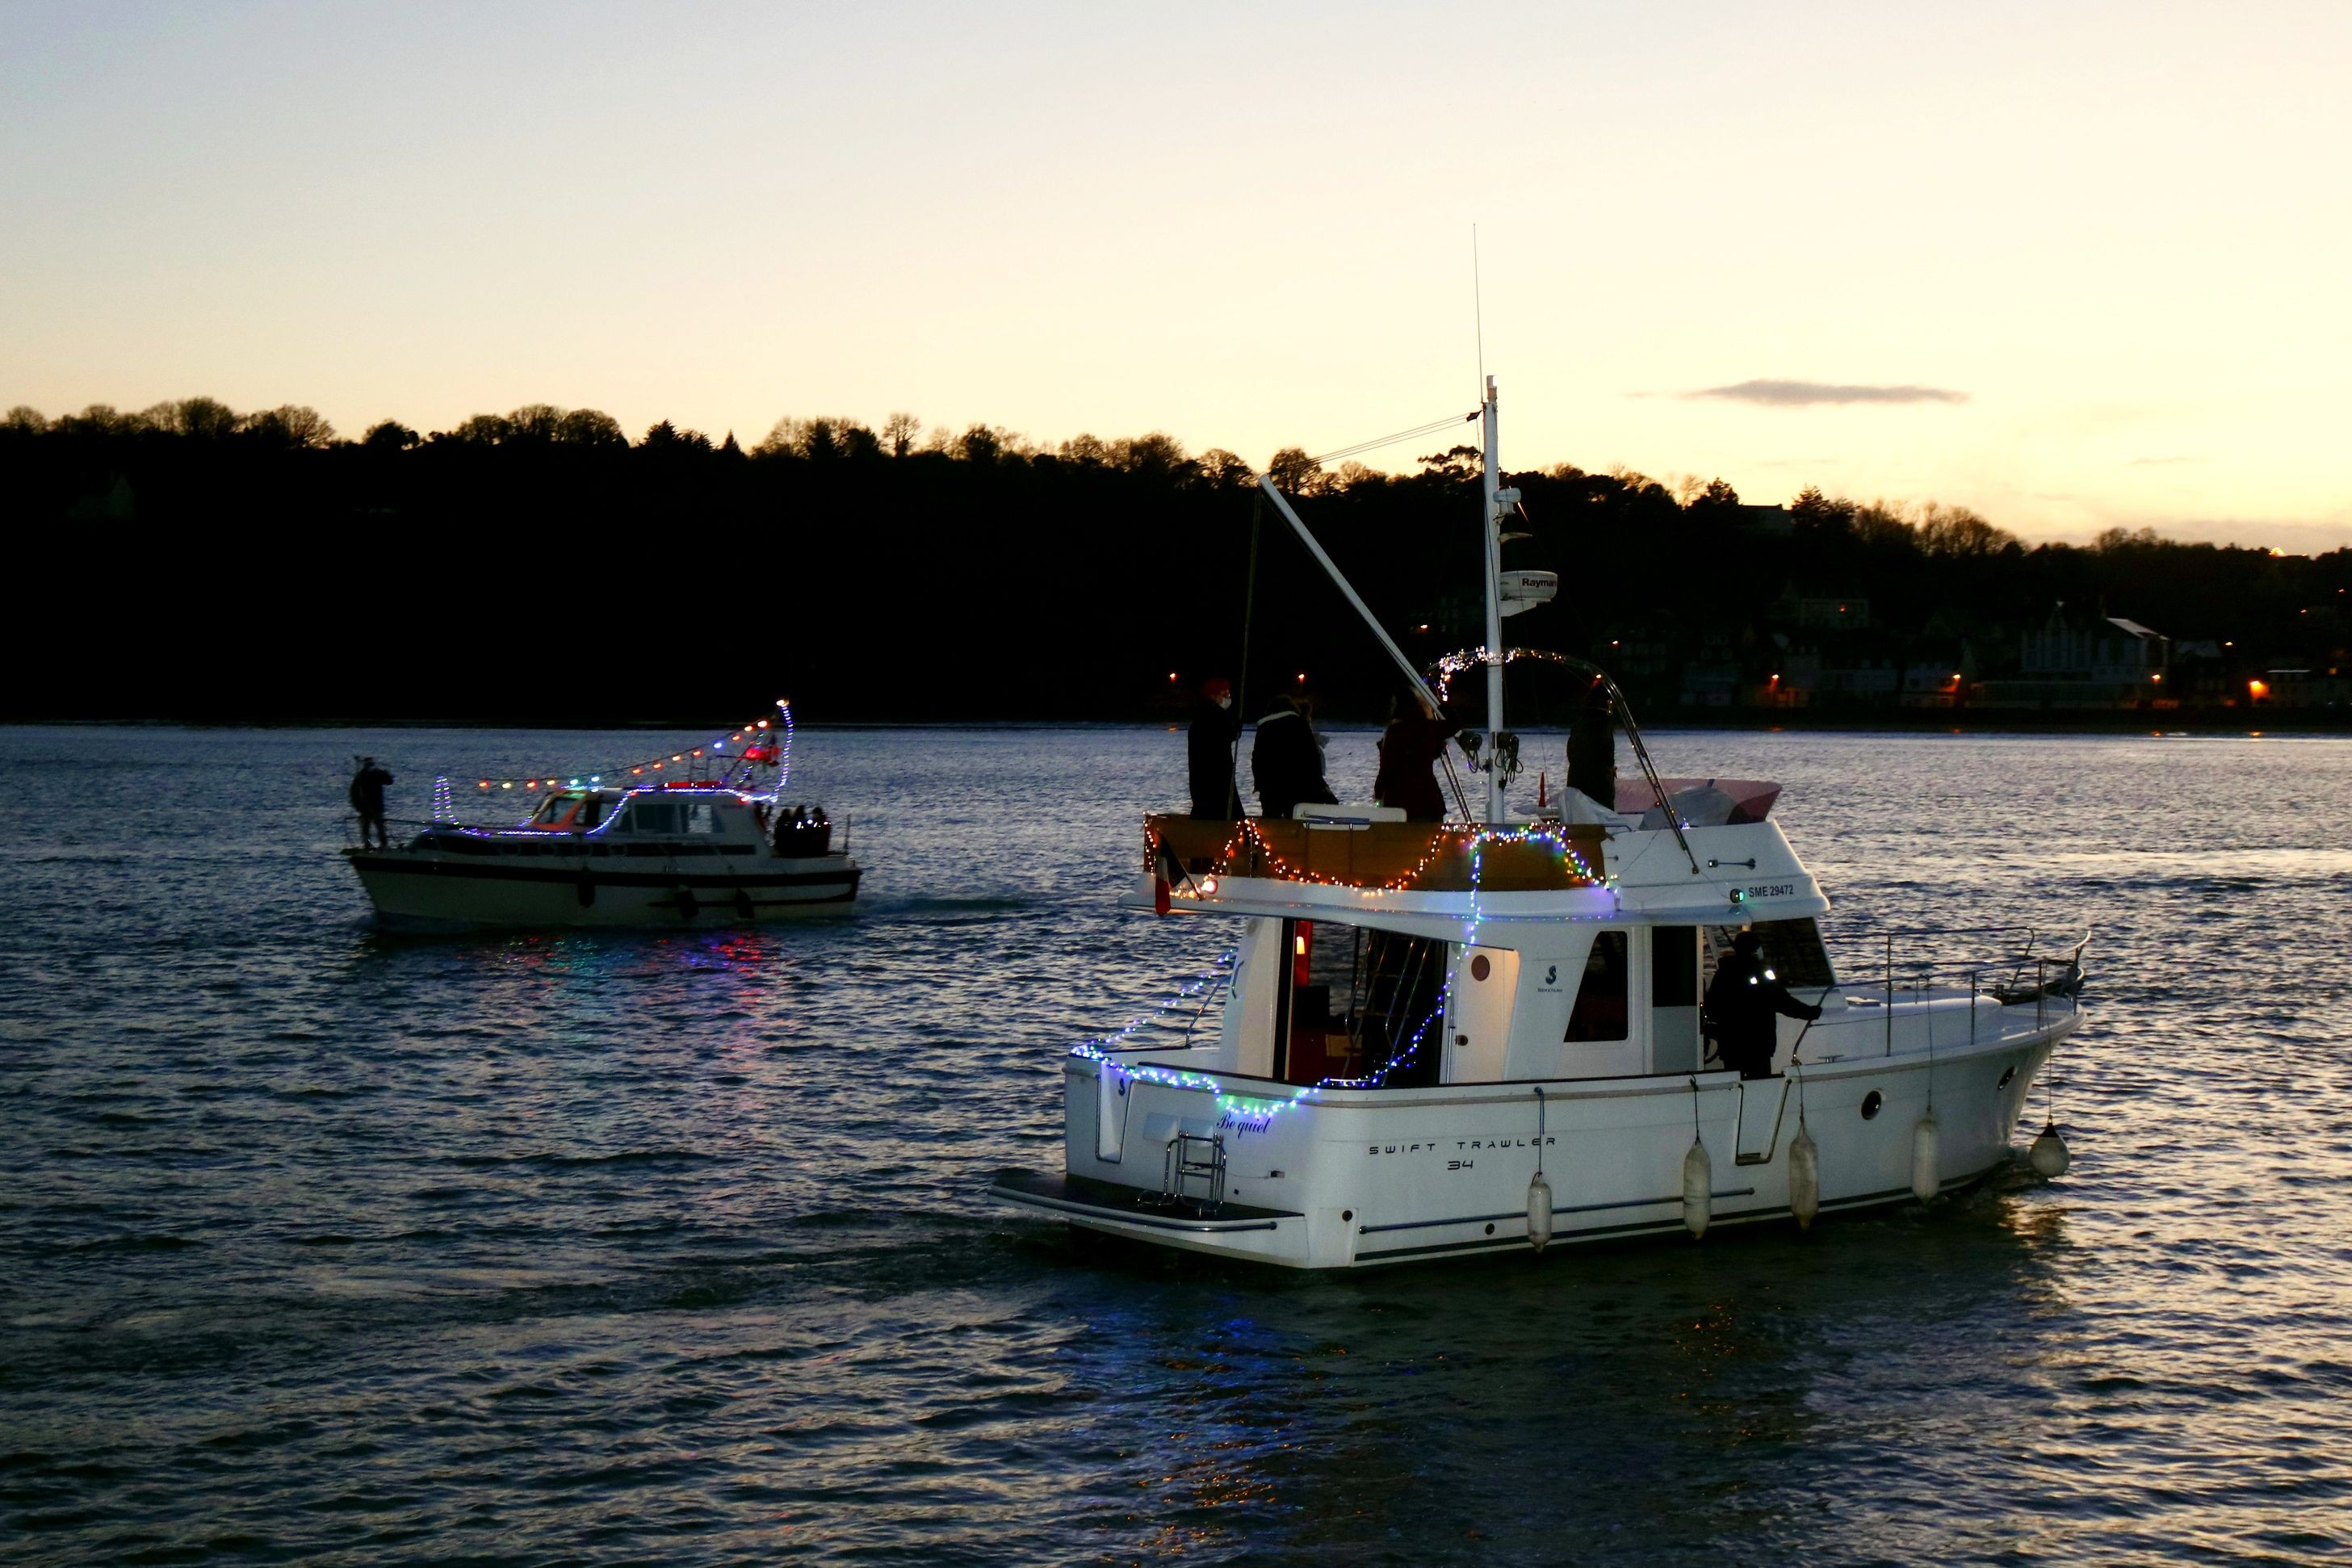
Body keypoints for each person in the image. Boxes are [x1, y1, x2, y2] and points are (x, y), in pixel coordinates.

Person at [1702, 928, 1823, 1079]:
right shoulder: (1758, 972)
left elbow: (1713, 1006)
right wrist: (1810, 1013)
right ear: (1756, 949)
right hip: (1757, 1046)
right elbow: (1782, 1001)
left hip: (1731, 1046)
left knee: (1733, 1084)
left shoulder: (1723, 973)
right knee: (1761, 1084)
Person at [1373, 694, 1464, 821]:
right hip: (1427, 800)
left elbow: (1386, 768)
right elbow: (1455, 724)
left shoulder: (1395, 732)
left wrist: (1378, 793)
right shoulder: (1429, 728)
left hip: (1399, 801)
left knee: (1402, 838)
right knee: (1431, 836)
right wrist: (1440, 704)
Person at [1251, 695, 1336, 820]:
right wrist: (1318, 783)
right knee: (1296, 821)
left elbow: (1257, 759)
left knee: (1271, 823)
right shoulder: (1300, 724)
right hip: (1299, 786)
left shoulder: (1264, 728)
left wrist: (1260, 783)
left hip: (1271, 788)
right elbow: (1311, 757)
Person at [1185, 678, 1242, 818]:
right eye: (1224, 694)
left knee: (1205, 810)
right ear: (1213, 696)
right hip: (1217, 777)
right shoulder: (1214, 715)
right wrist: (1235, 730)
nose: (1228, 698)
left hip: (1201, 779)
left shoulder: (1200, 716)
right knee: (1224, 812)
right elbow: (1224, 735)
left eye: (1229, 694)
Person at [349, 756, 394, 849]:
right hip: (365, 808)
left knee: (380, 827)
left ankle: (383, 844)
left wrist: (385, 774)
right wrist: (358, 806)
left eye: (371, 764)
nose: (370, 766)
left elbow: (389, 781)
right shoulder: (361, 776)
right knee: (367, 828)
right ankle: (367, 844)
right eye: (369, 764)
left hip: (376, 807)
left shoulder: (377, 774)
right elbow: (354, 792)